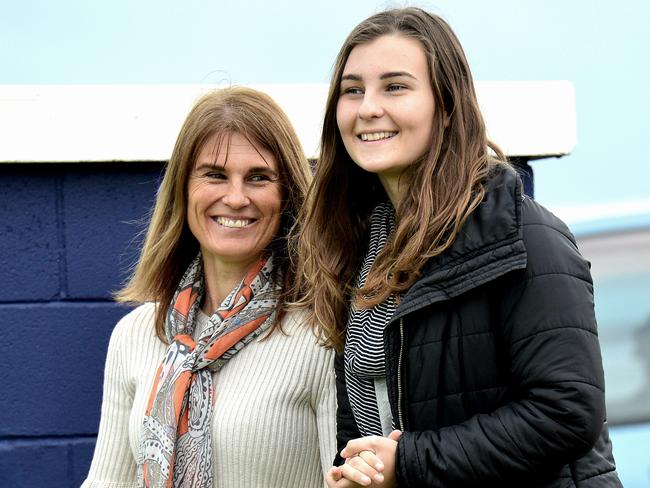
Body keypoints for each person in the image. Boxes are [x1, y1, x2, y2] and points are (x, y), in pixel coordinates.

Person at [295, 7, 621, 487]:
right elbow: (370, 416)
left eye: (395, 86)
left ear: (446, 107)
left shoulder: (527, 237)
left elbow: (567, 411)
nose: (367, 108)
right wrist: (360, 471)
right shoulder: (363, 250)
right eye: (353, 90)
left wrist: (406, 464)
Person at [82, 87, 336, 488]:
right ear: (183, 189)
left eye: (258, 178)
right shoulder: (134, 334)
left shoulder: (323, 333)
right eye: (215, 175)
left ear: (286, 194)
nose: (236, 198)